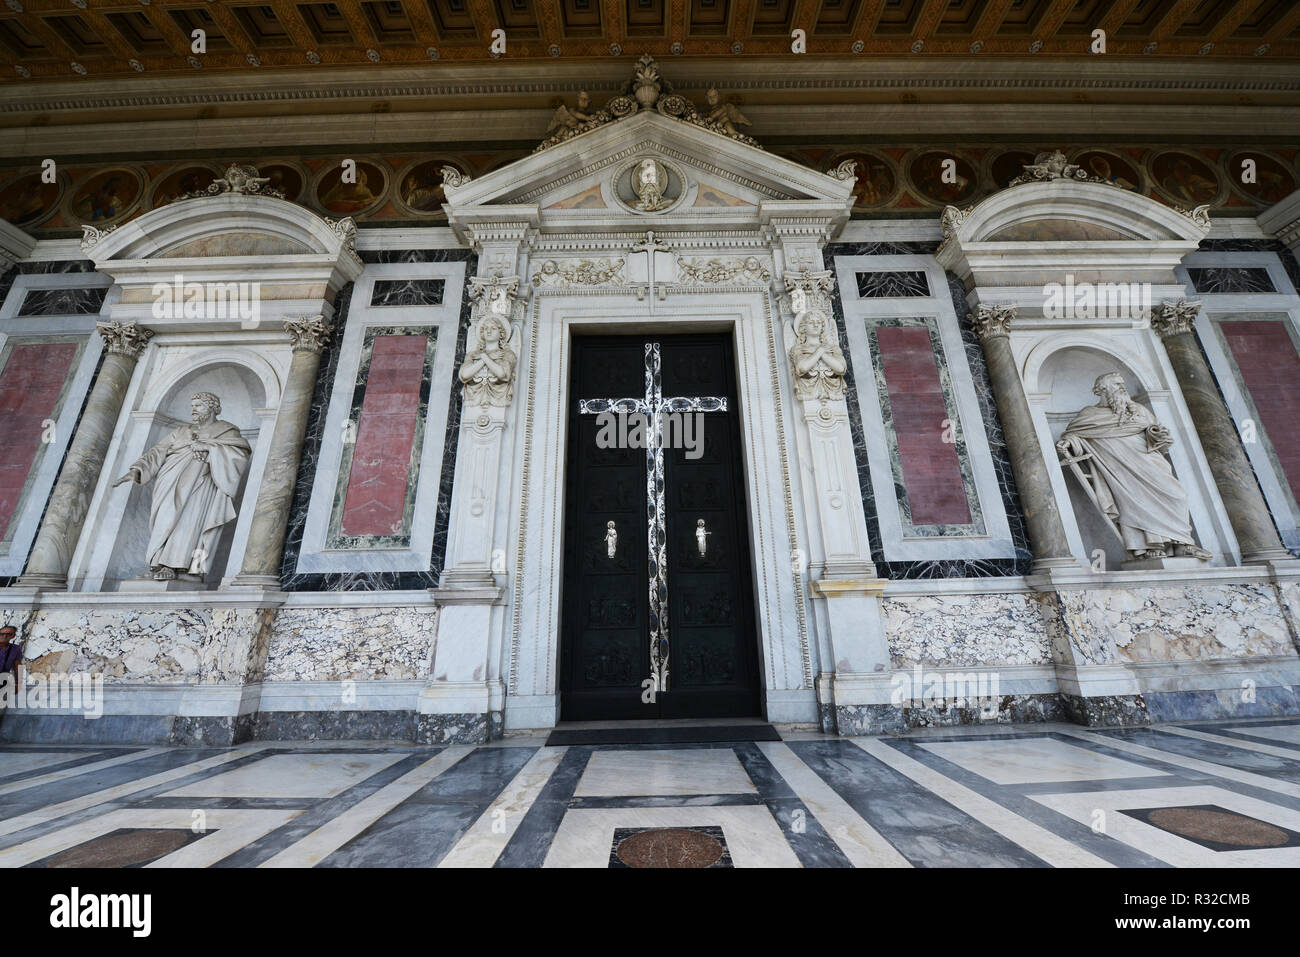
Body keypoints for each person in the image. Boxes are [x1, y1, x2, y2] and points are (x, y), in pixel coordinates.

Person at [1057, 372, 1209, 561]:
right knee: (1136, 502)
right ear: (1102, 389)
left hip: (1151, 464)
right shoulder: (1089, 415)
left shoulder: (1139, 410)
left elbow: (1159, 440)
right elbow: (1075, 436)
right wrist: (1068, 443)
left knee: (1177, 495)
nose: (1123, 387)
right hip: (1121, 470)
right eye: (1117, 384)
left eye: (1123, 384)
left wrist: (1161, 436)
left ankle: (1182, 543)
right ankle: (1152, 545)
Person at [112, 392, 251, 580]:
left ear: (212, 408)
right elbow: (157, 452)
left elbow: (239, 456)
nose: (193, 409)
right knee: (165, 521)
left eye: (198, 405)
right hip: (169, 483)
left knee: (190, 524)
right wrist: (137, 470)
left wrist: (209, 448)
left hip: (201, 486)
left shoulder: (226, 432)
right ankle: (156, 564)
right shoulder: (180, 431)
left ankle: (183, 568)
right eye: (192, 405)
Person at [0, 625, 21, 699]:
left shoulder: (16, 649)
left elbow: (17, 667)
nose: (4, 636)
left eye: (9, 634)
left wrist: (18, 684)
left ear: (13, 636)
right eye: (2, 633)